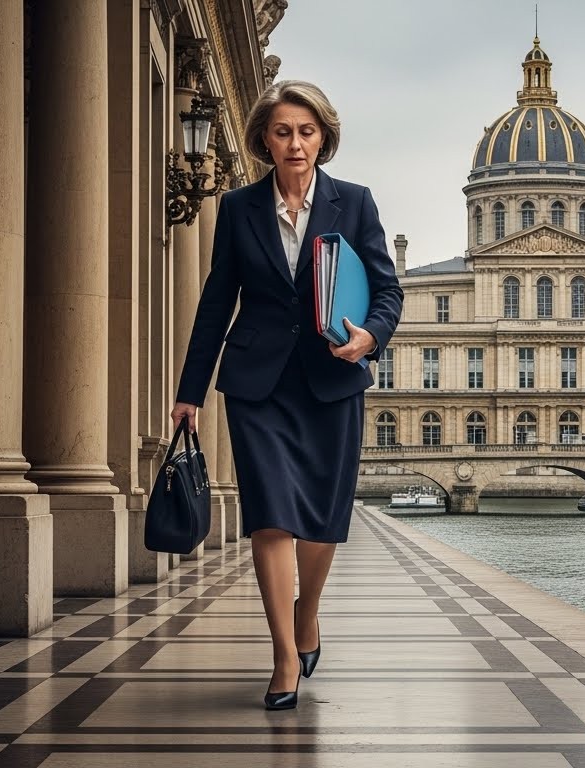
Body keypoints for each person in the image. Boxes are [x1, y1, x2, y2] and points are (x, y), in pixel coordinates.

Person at [171, 80, 403, 711]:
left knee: (322, 521)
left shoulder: (355, 203)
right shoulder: (238, 207)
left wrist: (369, 337)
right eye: (282, 132)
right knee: (271, 516)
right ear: (264, 141)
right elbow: (216, 303)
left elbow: (388, 291)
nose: (295, 143)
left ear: (323, 138)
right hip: (258, 385)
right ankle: (282, 656)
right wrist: (190, 391)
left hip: (332, 380)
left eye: (306, 131)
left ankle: (308, 611)